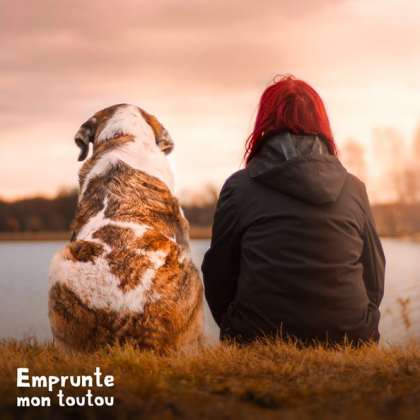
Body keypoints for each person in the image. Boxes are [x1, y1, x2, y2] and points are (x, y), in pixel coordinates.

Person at [201, 75, 385, 346]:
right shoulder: (354, 188)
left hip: (257, 337)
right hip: (350, 336)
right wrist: (360, 321)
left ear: (264, 123)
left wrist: (235, 326)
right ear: (321, 123)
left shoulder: (239, 188)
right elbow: (374, 274)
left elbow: (218, 274)